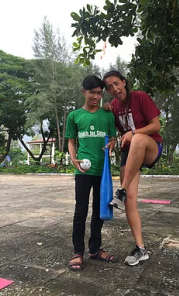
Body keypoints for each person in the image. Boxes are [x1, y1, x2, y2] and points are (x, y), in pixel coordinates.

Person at [103, 70, 163, 266]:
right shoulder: (113, 106)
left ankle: (121, 190)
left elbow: (156, 125)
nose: (114, 89)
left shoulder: (140, 97)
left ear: (124, 82)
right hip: (130, 152)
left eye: (116, 84)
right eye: (109, 87)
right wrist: (113, 139)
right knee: (129, 200)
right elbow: (113, 130)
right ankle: (140, 248)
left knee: (136, 138)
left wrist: (134, 132)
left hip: (150, 145)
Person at [65, 75, 117, 271]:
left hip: (102, 171)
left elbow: (112, 137)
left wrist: (113, 142)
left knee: (99, 211)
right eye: (92, 93)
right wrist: (73, 158)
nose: (96, 97)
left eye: (99, 93)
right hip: (83, 170)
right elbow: (71, 140)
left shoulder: (107, 115)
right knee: (81, 211)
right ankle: (78, 252)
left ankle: (95, 249)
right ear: (83, 92)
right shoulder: (75, 116)